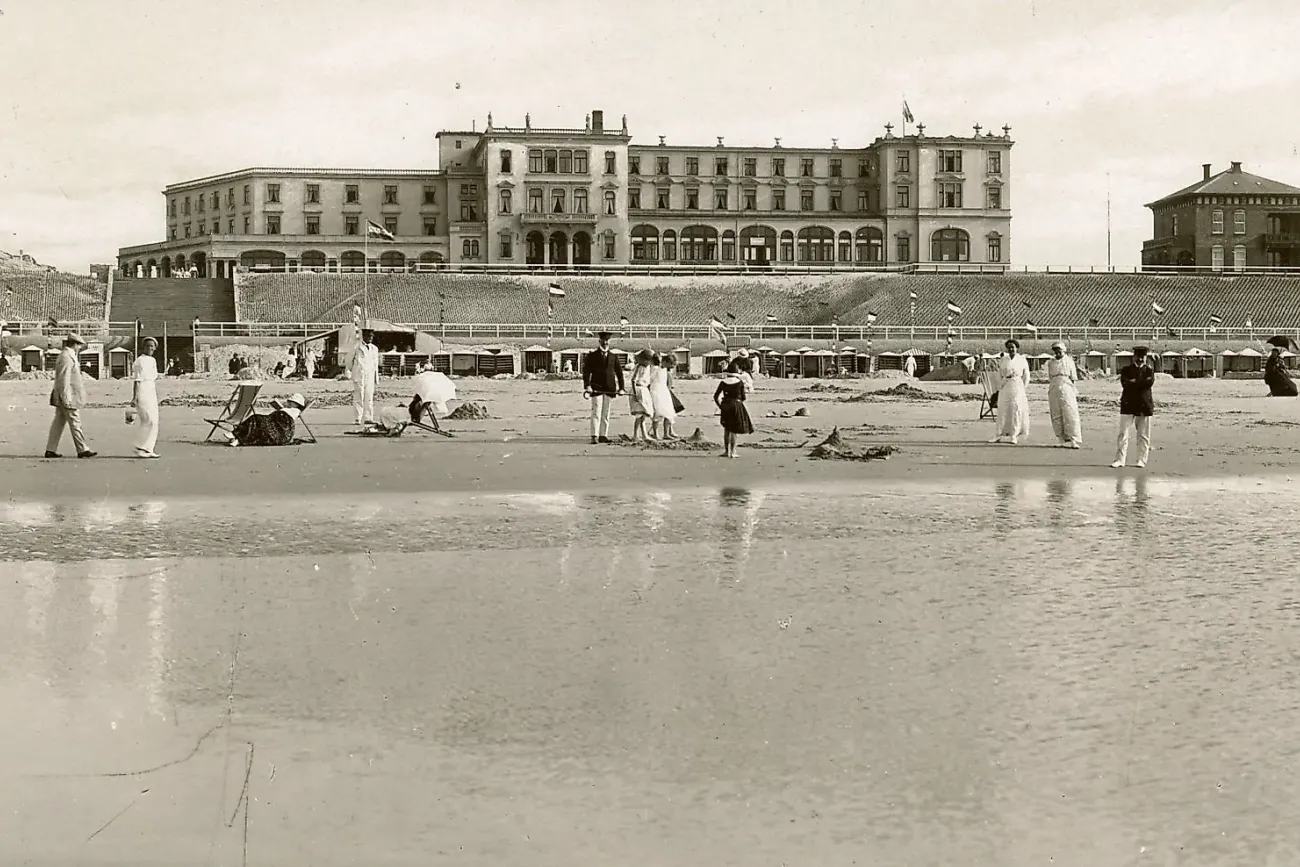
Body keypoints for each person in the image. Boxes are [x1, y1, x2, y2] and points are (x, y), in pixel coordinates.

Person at [45, 333, 96, 459]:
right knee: (75, 421)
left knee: (58, 422)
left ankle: (50, 449)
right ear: (74, 344)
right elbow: (63, 379)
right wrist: (65, 397)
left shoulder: (67, 355)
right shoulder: (66, 357)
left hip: (65, 394)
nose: (80, 347)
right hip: (68, 395)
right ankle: (82, 449)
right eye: (79, 345)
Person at [1111, 345, 1155, 468]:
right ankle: (1120, 460)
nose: (1140, 359)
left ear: (1145, 358)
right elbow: (1125, 383)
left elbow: (1148, 383)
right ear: (1133, 357)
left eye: (1142, 357)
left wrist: (1134, 381)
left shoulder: (1149, 370)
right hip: (1128, 404)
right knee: (1123, 434)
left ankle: (1141, 460)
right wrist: (1139, 382)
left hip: (1144, 405)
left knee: (1143, 435)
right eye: (1138, 357)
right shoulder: (1126, 370)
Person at [582, 330, 624, 444]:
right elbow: (586, 372)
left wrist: (621, 388)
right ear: (599, 341)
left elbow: (619, 373)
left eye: (607, 340)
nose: (605, 342)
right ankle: (594, 435)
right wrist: (587, 386)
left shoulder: (613, 356)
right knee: (596, 411)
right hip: (596, 387)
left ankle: (603, 435)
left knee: (606, 412)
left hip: (610, 388)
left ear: (609, 341)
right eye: (603, 340)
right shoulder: (592, 356)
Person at [988, 339, 1030, 445]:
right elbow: (999, 374)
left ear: (1017, 348)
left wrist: (1023, 388)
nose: (1011, 349)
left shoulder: (1022, 359)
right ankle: (998, 434)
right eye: (1009, 347)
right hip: (1005, 386)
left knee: (1016, 409)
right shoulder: (1003, 359)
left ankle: (1013, 435)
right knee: (1003, 409)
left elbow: (1026, 376)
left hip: (1017, 385)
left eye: (1013, 347)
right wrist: (999, 386)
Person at [228, 393, 306, 447]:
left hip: (280, 431)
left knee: (256, 419)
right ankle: (237, 437)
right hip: (276, 426)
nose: (289, 403)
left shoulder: (295, 411)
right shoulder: (290, 409)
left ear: (297, 404)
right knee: (256, 421)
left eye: (291, 402)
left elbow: (283, 418)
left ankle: (236, 435)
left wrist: (281, 410)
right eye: (289, 402)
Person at [714, 358, 754, 459]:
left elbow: (715, 396)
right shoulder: (739, 382)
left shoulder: (723, 382)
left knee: (727, 429)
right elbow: (743, 397)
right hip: (736, 405)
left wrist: (720, 406)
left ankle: (726, 451)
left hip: (725, 405)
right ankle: (732, 452)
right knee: (734, 430)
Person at [129, 336, 161, 458]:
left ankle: (148, 448)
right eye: (148, 346)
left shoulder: (152, 360)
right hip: (142, 389)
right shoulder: (140, 361)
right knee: (148, 419)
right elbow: (137, 380)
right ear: (143, 347)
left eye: (152, 346)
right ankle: (141, 446)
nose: (150, 348)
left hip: (151, 389)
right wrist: (135, 397)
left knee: (154, 420)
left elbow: (153, 376)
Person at [1046, 341, 1082, 448]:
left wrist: (1071, 390)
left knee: (1070, 412)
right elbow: (1050, 377)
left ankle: (1073, 439)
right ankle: (1060, 439)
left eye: (1059, 351)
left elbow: (1073, 377)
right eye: (1055, 351)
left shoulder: (1069, 361)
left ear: (1063, 351)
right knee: (1056, 413)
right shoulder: (1051, 362)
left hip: (1066, 386)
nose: (1057, 353)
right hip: (1054, 387)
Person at [349, 329, 380, 427]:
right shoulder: (356, 347)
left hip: (370, 374)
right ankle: (358, 417)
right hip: (359, 374)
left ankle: (368, 417)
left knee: (369, 397)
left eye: (371, 336)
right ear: (364, 336)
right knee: (359, 396)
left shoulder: (374, 348)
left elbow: (375, 364)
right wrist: (350, 373)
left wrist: (376, 378)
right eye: (368, 336)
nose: (370, 338)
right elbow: (349, 361)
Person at [648, 352, 678, 440]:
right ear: (665, 361)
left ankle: (666, 433)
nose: (671, 366)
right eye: (671, 364)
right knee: (658, 413)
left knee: (669, 412)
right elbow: (650, 379)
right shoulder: (655, 368)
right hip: (656, 391)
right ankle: (655, 433)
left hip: (664, 391)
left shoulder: (665, 369)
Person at [628, 349, 655, 440]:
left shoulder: (648, 367)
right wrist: (635, 394)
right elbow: (633, 380)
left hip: (644, 389)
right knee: (639, 413)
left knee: (643, 414)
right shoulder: (639, 367)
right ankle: (636, 435)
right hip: (638, 389)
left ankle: (644, 434)